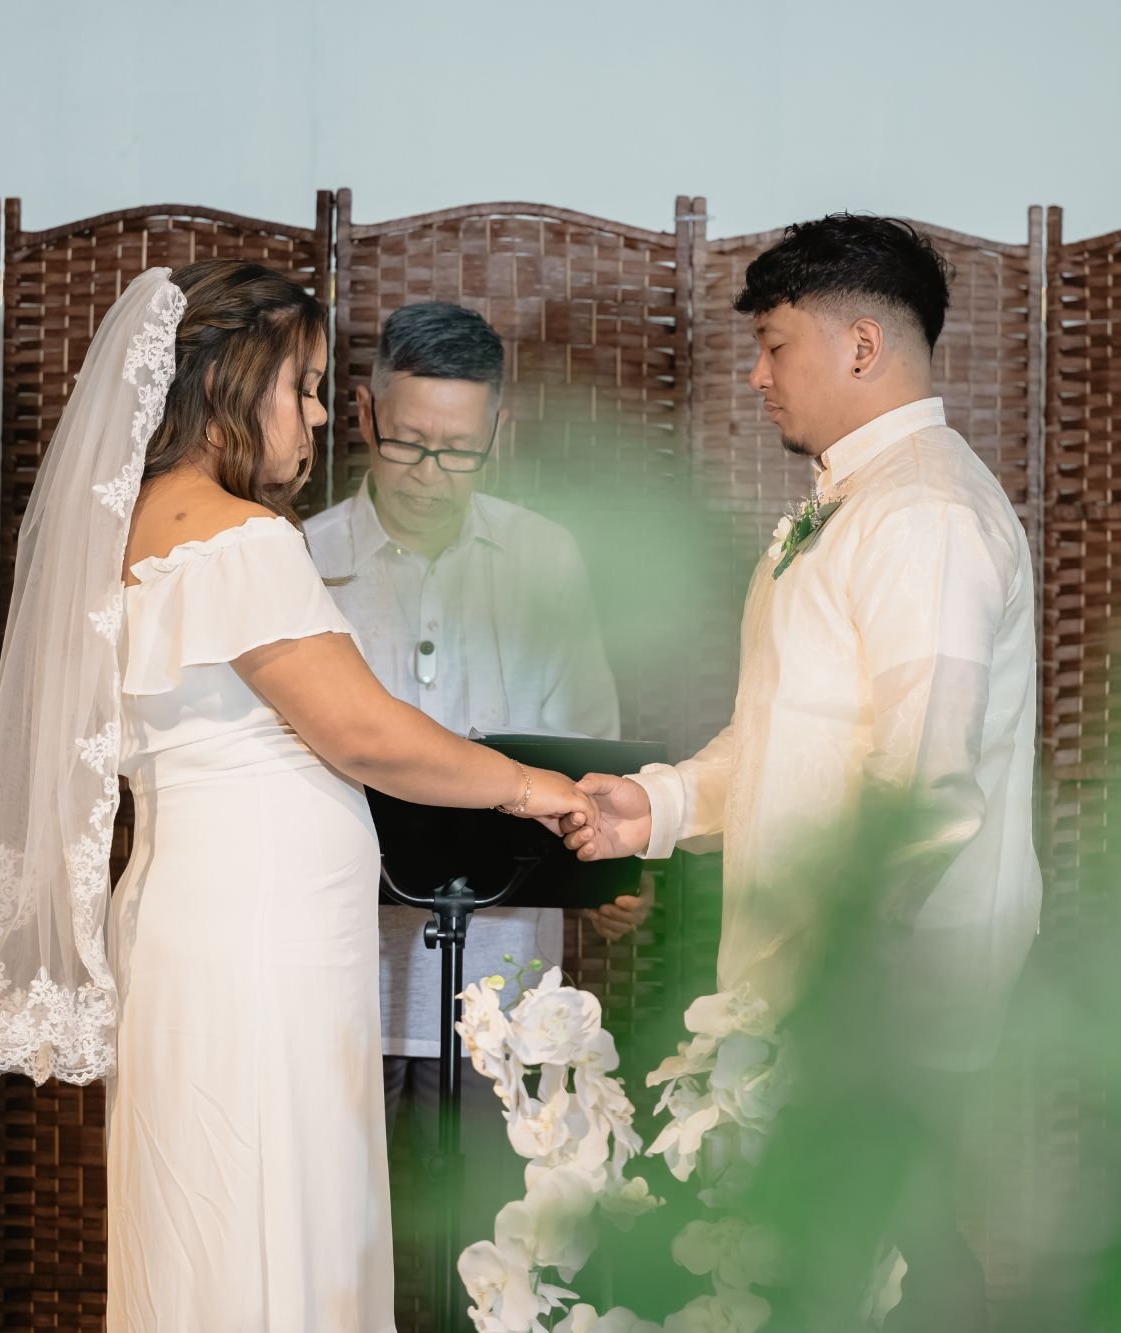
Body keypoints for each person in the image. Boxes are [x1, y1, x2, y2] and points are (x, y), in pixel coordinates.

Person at [0, 261, 597, 1332]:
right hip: (260, 949)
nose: (319, 417)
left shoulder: (134, 528)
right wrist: (533, 786)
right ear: (232, 384)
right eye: (306, 387)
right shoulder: (242, 539)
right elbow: (364, 732)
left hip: (200, 930)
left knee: (211, 1219)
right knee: (271, 1220)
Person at [560, 215, 1042, 1328]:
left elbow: (923, 791)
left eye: (774, 344)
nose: (756, 375)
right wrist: (655, 806)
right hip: (815, 990)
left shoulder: (922, 513)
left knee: (895, 1278)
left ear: (862, 345)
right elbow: (787, 739)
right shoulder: (857, 501)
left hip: (879, 1004)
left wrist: (830, 1002)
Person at [304, 300, 643, 1265]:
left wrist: (607, 864)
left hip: (510, 986)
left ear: (500, 430)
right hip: (341, 987)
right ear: (363, 413)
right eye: (408, 443)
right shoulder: (303, 560)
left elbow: (589, 746)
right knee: (345, 1266)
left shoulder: (545, 558)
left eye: (459, 452)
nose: (429, 474)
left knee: (502, 1266)